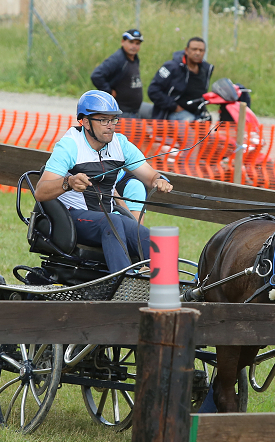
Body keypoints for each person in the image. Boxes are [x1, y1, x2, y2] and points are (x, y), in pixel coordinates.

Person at [35, 90, 172, 273]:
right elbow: (41, 192)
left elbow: (150, 175)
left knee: (154, 239)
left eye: (113, 119)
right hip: (73, 218)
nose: (110, 126)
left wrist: (159, 180)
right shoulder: (69, 145)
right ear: (85, 122)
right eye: (103, 120)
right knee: (112, 222)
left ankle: (169, 291)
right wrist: (68, 182)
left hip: (109, 217)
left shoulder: (120, 144)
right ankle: (125, 286)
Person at [147, 37, 214, 120]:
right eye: (194, 49)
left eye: (201, 50)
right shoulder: (171, 67)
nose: (197, 53)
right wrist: (174, 107)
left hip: (196, 113)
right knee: (187, 120)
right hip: (172, 113)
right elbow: (153, 91)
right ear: (186, 50)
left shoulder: (206, 69)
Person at [90, 29, 145, 118]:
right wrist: (109, 91)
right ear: (123, 42)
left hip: (134, 111)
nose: (134, 46)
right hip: (122, 112)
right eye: (131, 42)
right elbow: (96, 75)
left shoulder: (135, 58)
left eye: (137, 43)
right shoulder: (117, 59)